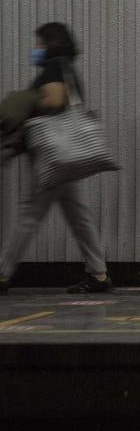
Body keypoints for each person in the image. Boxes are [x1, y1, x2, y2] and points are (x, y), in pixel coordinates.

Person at [0, 22, 112, 294]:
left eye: (39, 43)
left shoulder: (54, 67)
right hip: (66, 156)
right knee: (79, 215)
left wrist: (24, 100)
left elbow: (53, 100)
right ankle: (98, 275)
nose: (35, 49)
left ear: (50, 44)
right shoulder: (66, 67)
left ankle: (3, 273)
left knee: (29, 214)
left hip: (52, 155)